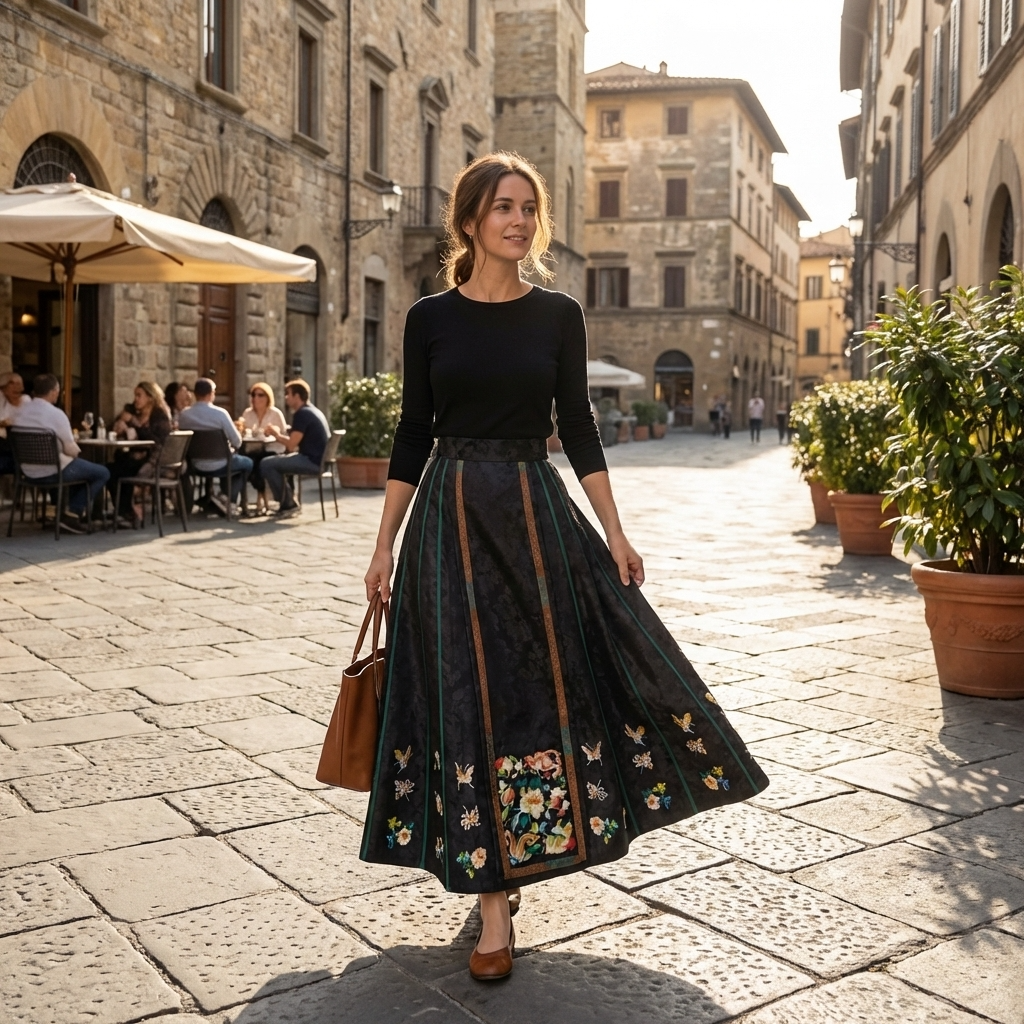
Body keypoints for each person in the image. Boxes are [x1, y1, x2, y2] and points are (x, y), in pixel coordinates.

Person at [359, 152, 768, 982]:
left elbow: (577, 426)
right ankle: (493, 902)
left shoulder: (560, 315)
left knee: (540, 687)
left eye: (528, 209)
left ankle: (533, 841)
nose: (518, 221)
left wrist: (615, 531)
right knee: (468, 694)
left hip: (535, 517)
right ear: (470, 219)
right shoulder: (428, 318)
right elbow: (412, 432)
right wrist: (383, 543)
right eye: (503, 207)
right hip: (450, 519)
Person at [10, 374, 109, 533]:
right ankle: (73, 514)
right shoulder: (56, 414)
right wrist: (76, 448)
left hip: (27, 472)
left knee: (77, 468)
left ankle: (58, 513)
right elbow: (71, 450)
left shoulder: (19, 412)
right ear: (55, 391)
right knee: (101, 472)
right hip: (53, 472)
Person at [178, 378, 253, 513]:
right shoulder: (220, 414)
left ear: (195, 394)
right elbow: (237, 442)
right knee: (248, 463)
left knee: (234, 461)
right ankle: (228, 498)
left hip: (194, 464)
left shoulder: (184, 415)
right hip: (221, 463)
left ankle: (215, 498)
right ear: (211, 393)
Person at [261, 379, 330, 519]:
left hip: (312, 462)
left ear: (297, 396)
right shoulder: (312, 410)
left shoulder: (302, 414)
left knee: (266, 464)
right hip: (321, 461)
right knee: (280, 461)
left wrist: (276, 434)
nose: (286, 397)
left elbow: (291, 445)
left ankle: (288, 504)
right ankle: (289, 501)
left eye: (288, 394)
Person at [105, 382, 172, 525]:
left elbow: (158, 441)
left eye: (139, 395)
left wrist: (134, 424)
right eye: (135, 395)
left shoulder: (159, 415)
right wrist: (118, 425)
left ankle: (126, 512)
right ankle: (126, 511)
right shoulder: (131, 410)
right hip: (131, 457)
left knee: (118, 471)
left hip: (152, 462)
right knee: (108, 470)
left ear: (150, 397)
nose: (135, 399)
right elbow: (111, 427)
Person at [240, 382, 287, 515]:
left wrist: (273, 432)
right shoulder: (247, 413)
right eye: (253, 395)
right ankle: (260, 500)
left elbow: (283, 435)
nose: (256, 398)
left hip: (273, 448)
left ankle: (262, 500)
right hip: (253, 449)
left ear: (267, 397)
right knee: (250, 462)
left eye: (260, 395)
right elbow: (244, 433)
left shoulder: (275, 414)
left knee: (260, 463)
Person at [0, 372, 30, 476]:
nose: (17, 387)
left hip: (22, 450)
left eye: (19, 383)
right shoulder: (2, 401)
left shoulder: (26, 401)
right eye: (11, 383)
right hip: (7, 448)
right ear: (3, 388)